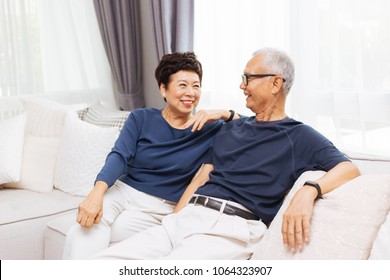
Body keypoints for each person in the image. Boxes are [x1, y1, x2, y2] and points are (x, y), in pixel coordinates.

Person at [90, 47, 360, 260]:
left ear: (276, 83)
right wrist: (174, 219)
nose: (242, 86)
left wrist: (308, 190)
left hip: (231, 228)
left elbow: (349, 168)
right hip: (186, 217)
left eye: (248, 78)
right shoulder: (233, 129)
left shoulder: (299, 136)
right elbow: (200, 179)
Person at [62, 51, 239, 259]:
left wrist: (226, 114)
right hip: (123, 192)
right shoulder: (141, 118)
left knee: (87, 231)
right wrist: (97, 192)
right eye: (182, 85)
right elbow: (119, 155)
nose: (190, 92)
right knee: (88, 226)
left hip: (161, 208)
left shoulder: (210, 128)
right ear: (163, 89)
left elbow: (254, 125)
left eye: (196, 85)